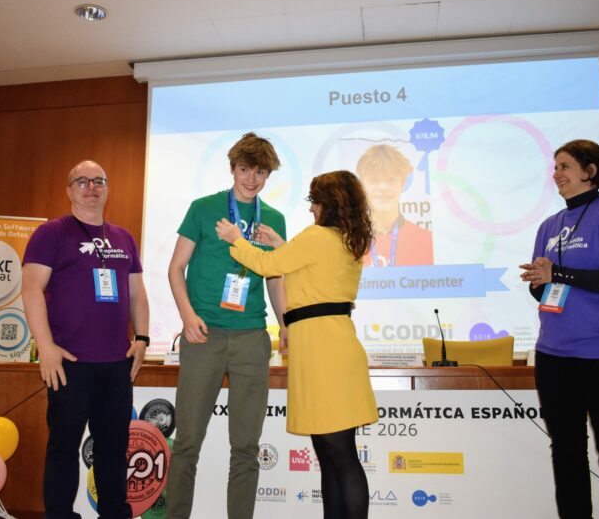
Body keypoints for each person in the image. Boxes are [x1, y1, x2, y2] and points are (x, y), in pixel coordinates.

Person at [216, 170, 379, 519]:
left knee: (338, 453)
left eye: (314, 201)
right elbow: (308, 270)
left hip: (324, 352)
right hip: (329, 348)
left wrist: (236, 239)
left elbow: (265, 265)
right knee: (331, 453)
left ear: (329, 203)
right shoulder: (342, 239)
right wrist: (281, 244)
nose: (311, 209)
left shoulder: (317, 237)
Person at [519, 140, 599, 519]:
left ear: (590, 171)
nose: (556, 173)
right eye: (555, 167)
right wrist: (539, 280)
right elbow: (543, 287)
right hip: (555, 353)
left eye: (565, 166)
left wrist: (557, 273)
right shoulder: (549, 225)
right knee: (566, 449)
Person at [166, 132, 286, 519]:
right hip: (204, 335)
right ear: (233, 168)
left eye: (260, 172)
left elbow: (275, 278)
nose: (252, 179)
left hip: (252, 337)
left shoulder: (274, 219)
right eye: (245, 169)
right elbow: (176, 267)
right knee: (187, 442)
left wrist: (285, 324)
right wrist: (187, 315)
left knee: (247, 448)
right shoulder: (204, 208)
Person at [22, 160, 150, 519]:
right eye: (82, 181)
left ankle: (114, 514)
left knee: (113, 449)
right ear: (69, 190)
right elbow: (31, 289)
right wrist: (46, 347)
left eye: (99, 181)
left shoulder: (123, 238)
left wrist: (142, 337)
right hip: (69, 364)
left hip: (117, 364)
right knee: (63, 449)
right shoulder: (52, 233)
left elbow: (137, 294)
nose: (91, 187)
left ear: (107, 189)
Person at [356, 144, 433, 266]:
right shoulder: (348, 242)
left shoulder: (426, 240)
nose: (383, 187)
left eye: (391, 180)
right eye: (374, 180)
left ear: (402, 184)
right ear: (362, 186)